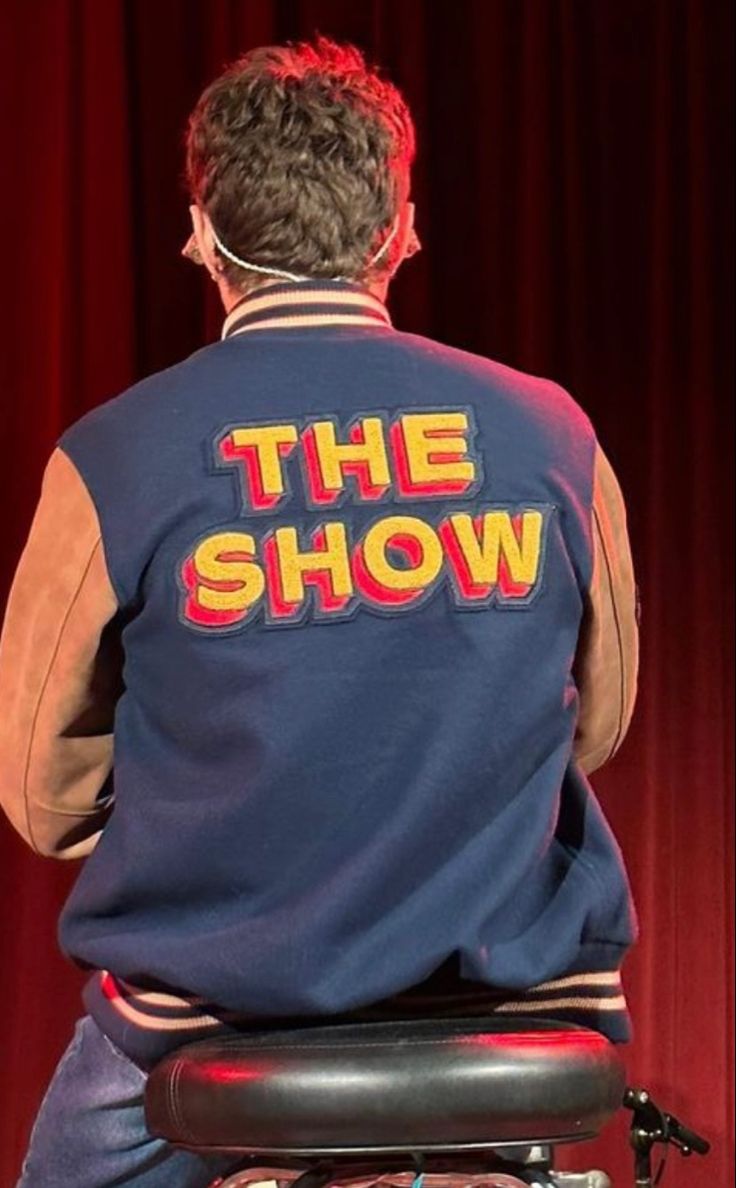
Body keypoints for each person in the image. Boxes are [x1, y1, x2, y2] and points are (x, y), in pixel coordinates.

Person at [0, 36, 639, 1188]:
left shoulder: (110, 456)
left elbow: (41, 798)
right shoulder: (553, 432)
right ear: (402, 230)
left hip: (207, 1012)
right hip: (501, 1000)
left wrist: (221, 815)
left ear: (199, 234)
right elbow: (595, 723)